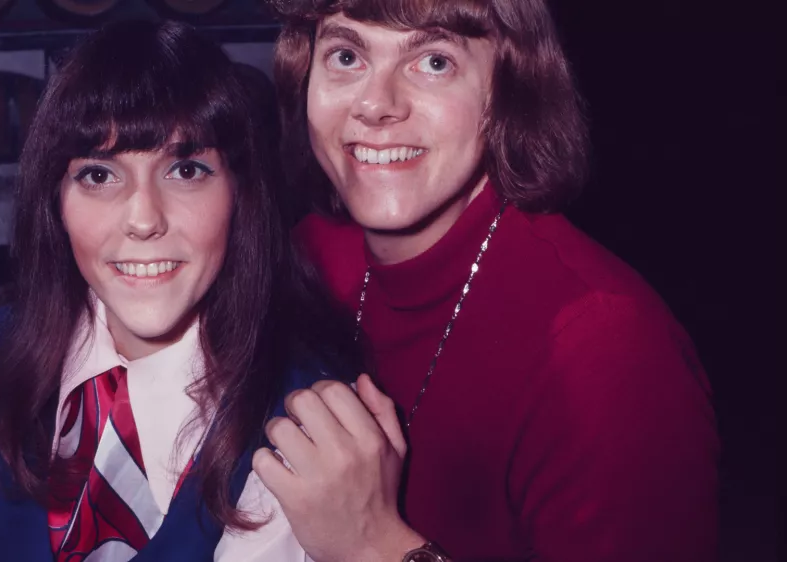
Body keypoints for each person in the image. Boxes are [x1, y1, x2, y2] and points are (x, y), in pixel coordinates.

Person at [252, 1, 720, 561]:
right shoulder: (310, 254)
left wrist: (375, 545)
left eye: (434, 62)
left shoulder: (605, 351)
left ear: (510, 92)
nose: (375, 104)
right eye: (347, 56)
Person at [0, 19, 360, 562]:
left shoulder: (303, 422)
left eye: (185, 169)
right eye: (98, 175)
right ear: (55, 201)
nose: (142, 219)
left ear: (240, 193)